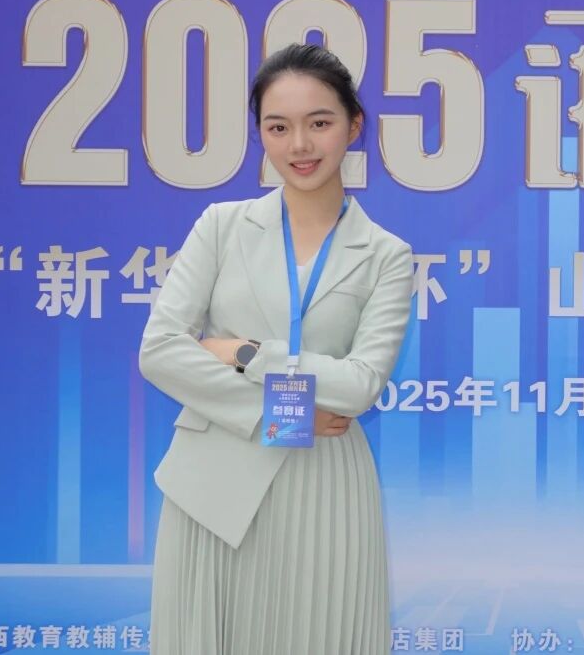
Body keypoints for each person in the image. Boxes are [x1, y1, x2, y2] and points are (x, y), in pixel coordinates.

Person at [139, 43, 414, 654]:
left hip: (326, 483)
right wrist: (287, 413)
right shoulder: (221, 226)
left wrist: (245, 353)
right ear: (260, 135)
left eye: (320, 122)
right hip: (213, 479)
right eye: (278, 127)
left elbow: (361, 385)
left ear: (354, 127)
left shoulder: (386, 255)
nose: (300, 145)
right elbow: (159, 350)